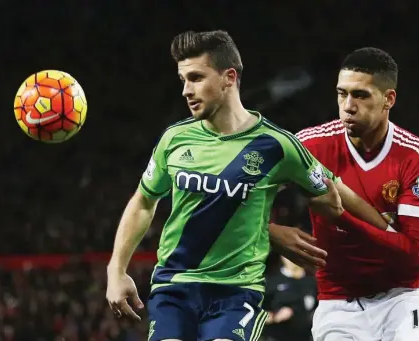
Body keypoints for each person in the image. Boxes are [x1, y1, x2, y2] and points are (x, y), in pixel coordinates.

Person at [105, 31, 387, 341]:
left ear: (229, 77)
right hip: (175, 286)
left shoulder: (277, 145)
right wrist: (116, 271)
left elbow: (335, 192)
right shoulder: (175, 138)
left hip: (236, 294)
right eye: (183, 79)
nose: (186, 90)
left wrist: (388, 230)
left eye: (196, 77)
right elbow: (144, 201)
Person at [290, 47, 419, 341]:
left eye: (360, 95)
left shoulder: (415, 155)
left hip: (403, 295)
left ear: (389, 99)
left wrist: (341, 216)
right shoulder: (309, 146)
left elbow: (414, 256)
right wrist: (271, 231)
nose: (348, 105)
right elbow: (246, 194)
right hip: (338, 300)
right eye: (341, 93)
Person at [263, 256, 317, 341]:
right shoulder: (271, 281)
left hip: (306, 336)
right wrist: (275, 316)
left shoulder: (313, 281)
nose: (291, 259)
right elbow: (256, 312)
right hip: (278, 336)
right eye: (286, 255)